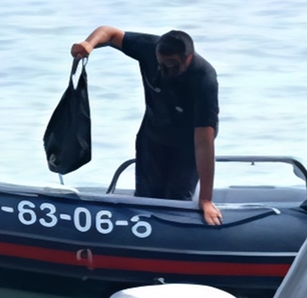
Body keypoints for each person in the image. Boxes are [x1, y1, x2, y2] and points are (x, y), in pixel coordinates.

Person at [71, 27, 223, 226]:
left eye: (173, 65)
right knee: (146, 198)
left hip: (187, 145)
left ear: (188, 58)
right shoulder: (148, 47)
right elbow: (109, 33)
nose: (167, 70)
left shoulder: (204, 78)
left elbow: (204, 142)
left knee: (175, 200)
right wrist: (89, 44)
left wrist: (206, 199)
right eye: (162, 64)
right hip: (152, 136)